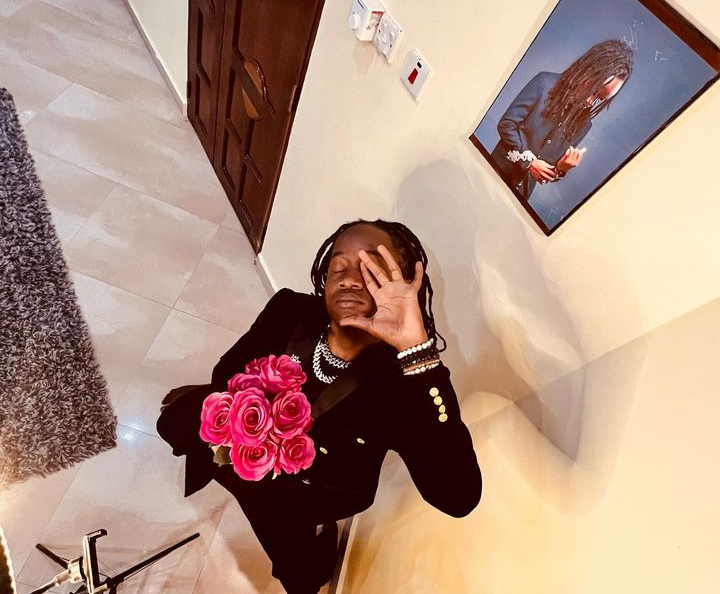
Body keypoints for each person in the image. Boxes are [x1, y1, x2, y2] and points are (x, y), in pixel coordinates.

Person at [156, 219, 482, 594]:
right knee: (178, 425)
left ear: (403, 284)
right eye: (338, 266)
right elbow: (226, 372)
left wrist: (417, 353)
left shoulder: (402, 383)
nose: (349, 278)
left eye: (371, 269)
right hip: (240, 464)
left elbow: (457, 497)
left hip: (316, 495)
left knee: (297, 570)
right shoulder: (289, 309)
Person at [490, 39, 634, 198]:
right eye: (594, 91)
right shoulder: (545, 83)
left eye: (599, 99)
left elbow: (546, 173)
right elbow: (506, 124)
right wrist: (529, 162)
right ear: (587, 71)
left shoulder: (584, 124)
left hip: (519, 198)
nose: (590, 102)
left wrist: (561, 168)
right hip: (492, 173)